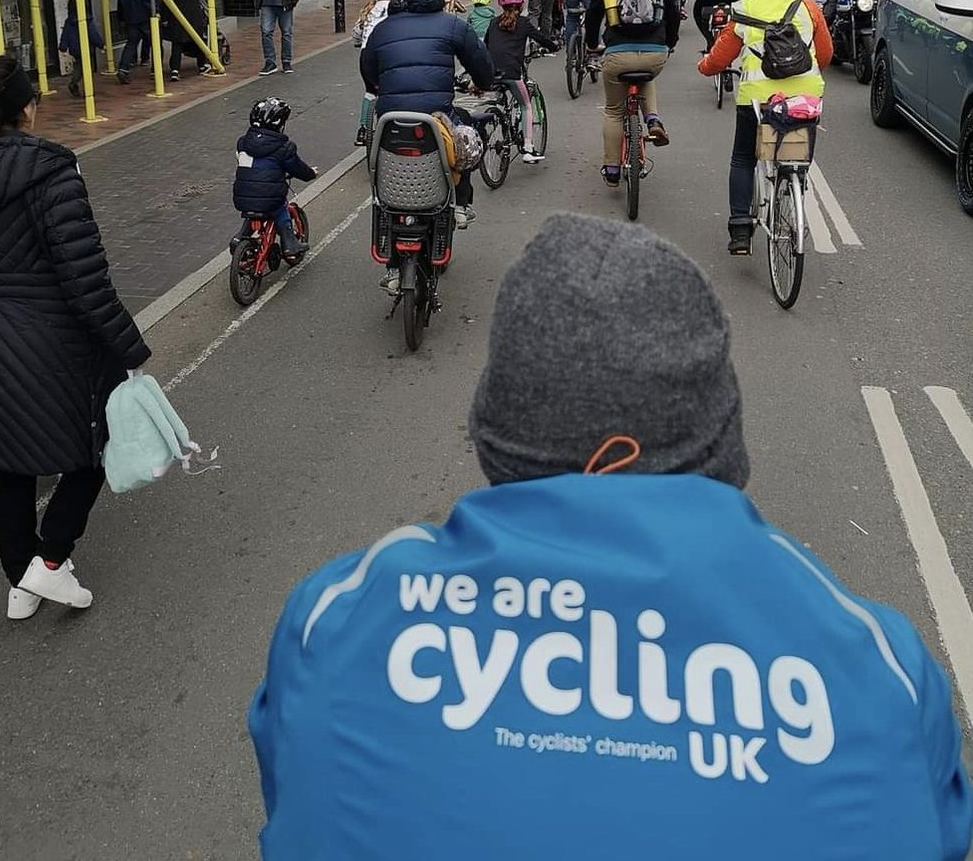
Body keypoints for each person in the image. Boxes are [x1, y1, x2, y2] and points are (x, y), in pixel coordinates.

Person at [249, 212, 973, 861]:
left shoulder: (333, 621)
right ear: (717, 441)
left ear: (498, 433)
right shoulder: (883, 674)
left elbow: (294, 788)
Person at [0, 55, 151, 618]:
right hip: (48, 343)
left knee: (9, 463)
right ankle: (52, 559)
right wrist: (129, 348)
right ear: (23, 110)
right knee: (95, 446)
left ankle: (21, 582)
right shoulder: (51, 169)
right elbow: (85, 279)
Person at [699, 0, 832, 255]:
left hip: (757, 100)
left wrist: (705, 66)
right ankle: (796, 182)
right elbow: (825, 54)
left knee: (743, 158)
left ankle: (740, 229)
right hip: (803, 98)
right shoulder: (809, 7)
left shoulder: (744, 7)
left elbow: (720, 58)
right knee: (799, 152)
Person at [361, 0, 494, 229]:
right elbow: (482, 67)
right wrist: (482, 83)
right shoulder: (452, 24)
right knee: (466, 132)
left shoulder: (381, 30)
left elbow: (368, 73)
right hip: (436, 116)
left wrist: (381, 87)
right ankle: (461, 204)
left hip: (391, 118)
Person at [585, 0, 679, 185]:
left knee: (614, 111)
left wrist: (592, 45)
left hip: (618, 55)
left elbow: (592, 18)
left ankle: (612, 170)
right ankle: (653, 119)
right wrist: (669, 44)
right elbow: (672, 15)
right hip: (654, 55)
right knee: (647, 75)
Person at [231, 97, 316, 259]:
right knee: (279, 207)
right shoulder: (284, 148)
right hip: (269, 198)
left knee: (254, 208)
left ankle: (239, 238)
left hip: (242, 196)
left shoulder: (243, 143)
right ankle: (290, 244)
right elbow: (298, 169)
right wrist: (311, 173)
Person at [484, 0, 556, 164]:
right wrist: (553, 46)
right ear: (522, 3)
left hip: (492, 73)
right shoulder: (524, 23)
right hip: (512, 73)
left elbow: (486, 45)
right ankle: (528, 148)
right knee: (526, 106)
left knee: (501, 97)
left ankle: (500, 118)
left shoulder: (493, 23)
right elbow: (542, 38)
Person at [351, 0, 392, 147]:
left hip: (365, 55)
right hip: (385, 53)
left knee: (370, 92)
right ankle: (389, 126)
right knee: (391, 88)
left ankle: (363, 130)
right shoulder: (393, 8)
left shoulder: (367, 10)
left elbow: (356, 35)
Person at [58, 0, 105, 99]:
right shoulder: (88, 20)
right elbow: (93, 34)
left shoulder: (68, 21)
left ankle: (74, 82)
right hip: (87, 48)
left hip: (75, 49)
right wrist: (101, 44)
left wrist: (63, 47)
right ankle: (88, 89)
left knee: (78, 67)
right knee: (88, 68)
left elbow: (65, 35)